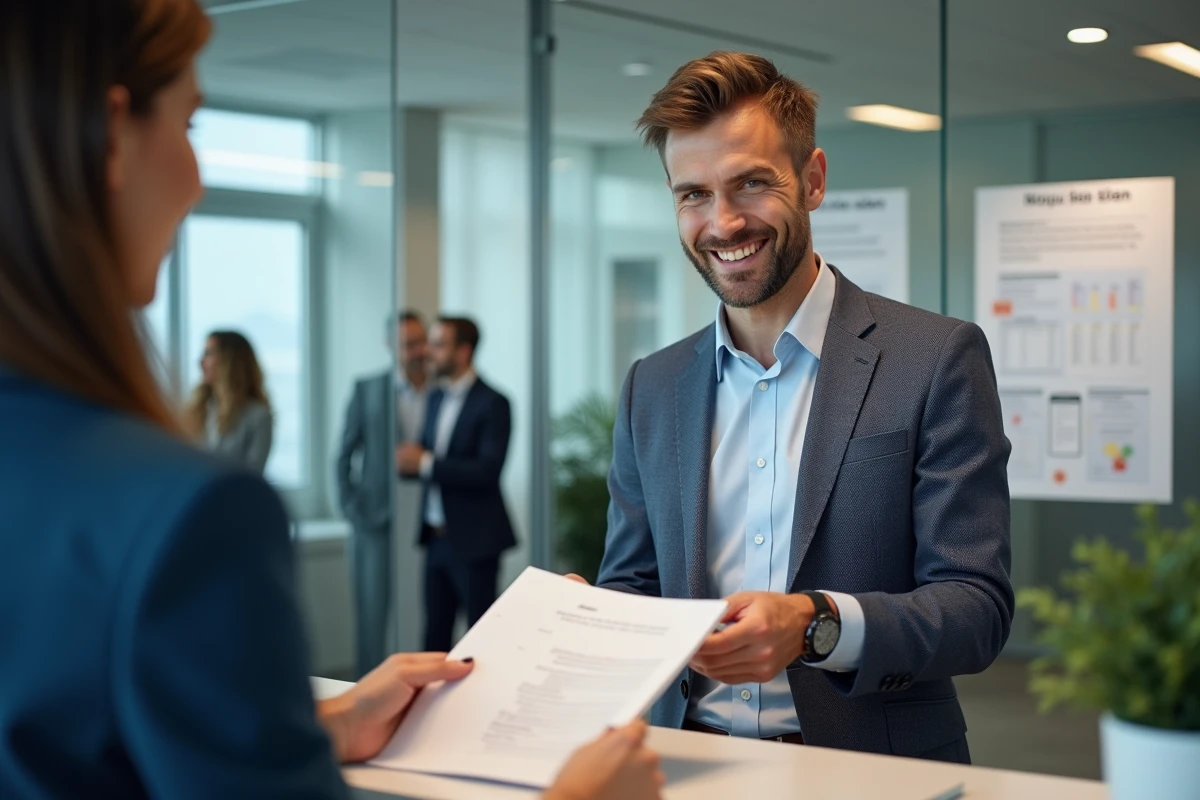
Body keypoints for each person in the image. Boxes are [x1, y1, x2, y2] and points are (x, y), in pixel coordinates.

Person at [0, 2, 662, 798]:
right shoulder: (183, 514)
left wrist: (322, 726)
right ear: (112, 137)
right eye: (190, 127)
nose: (196, 177)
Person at [585, 52, 1014, 763]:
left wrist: (818, 624)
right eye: (692, 194)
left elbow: (976, 608)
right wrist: (592, 617)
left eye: (750, 184)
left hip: (870, 767)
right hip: (681, 763)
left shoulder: (934, 359)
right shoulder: (651, 388)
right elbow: (634, 586)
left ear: (812, 180)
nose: (722, 223)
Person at [397, 317, 517, 652]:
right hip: (435, 539)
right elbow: (425, 460)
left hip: (475, 542)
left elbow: (487, 470)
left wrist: (423, 462)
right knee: (433, 639)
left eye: (438, 344)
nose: (428, 352)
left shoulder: (494, 403)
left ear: (463, 351)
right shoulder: (434, 398)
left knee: (479, 643)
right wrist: (408, 462)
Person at [336, 310, 429, 677]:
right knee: (372, 615)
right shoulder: (367, 388)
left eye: (421, 341)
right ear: (390, 345)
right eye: (409, 344)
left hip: (428, 519)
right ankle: (368, 692)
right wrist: (352, 508)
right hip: (375, 519)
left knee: (425, 612)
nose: (418, 350)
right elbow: (343, 454)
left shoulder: (440, 390)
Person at [185, 329, 273, 474]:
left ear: (230, 361)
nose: (200, 362)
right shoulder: (195, 410)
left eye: (209, 354)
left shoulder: (258, 417)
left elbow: (252, 477)